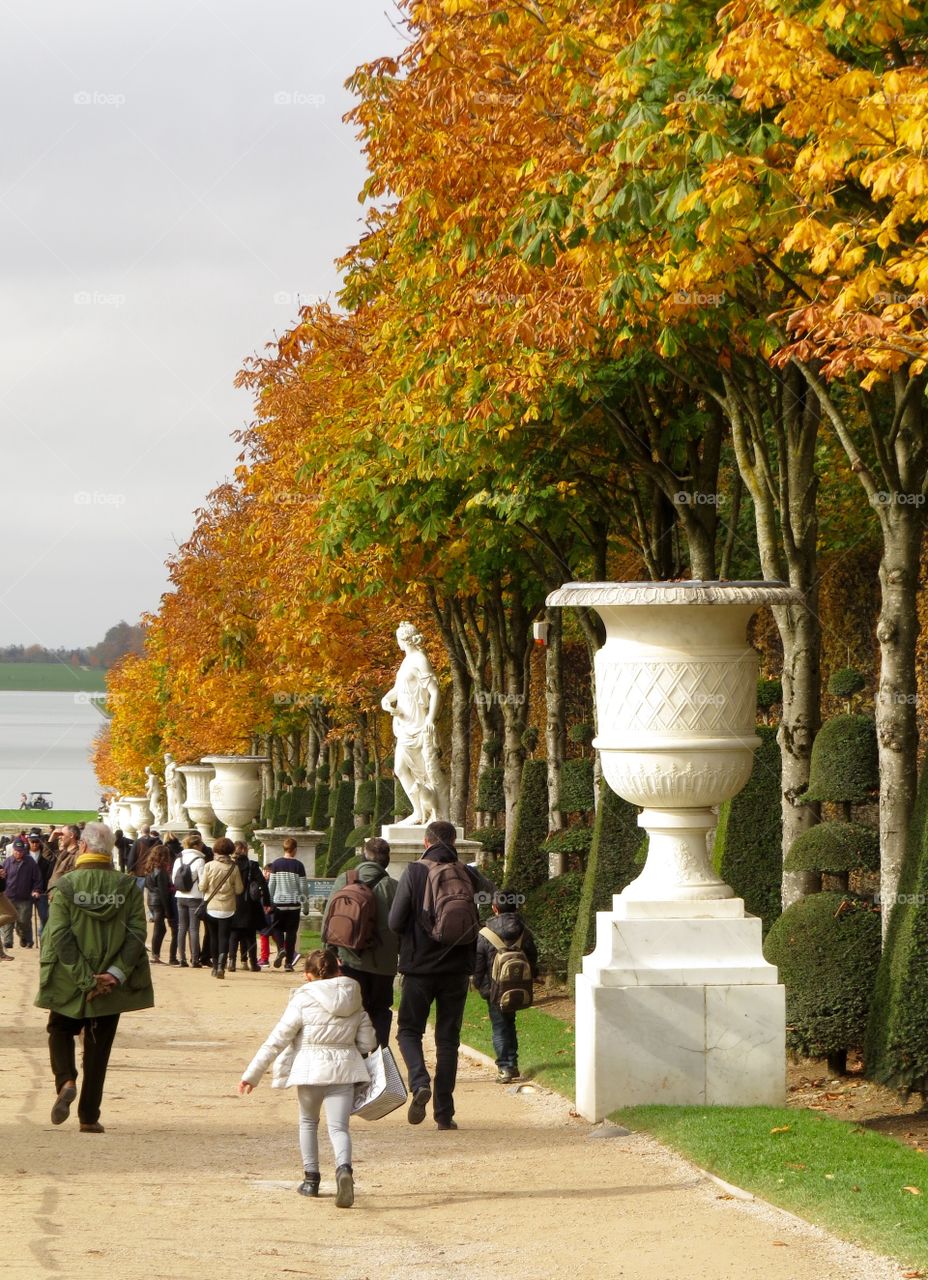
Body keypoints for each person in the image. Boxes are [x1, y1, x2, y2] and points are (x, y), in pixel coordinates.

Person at [34, 821, 154, 1133]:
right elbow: (137, 933)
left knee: (59, 1029)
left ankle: (66, 1079)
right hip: (111, 980)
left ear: (83, 847)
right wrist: (113, 974)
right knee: (99, 1049)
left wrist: (84, 978)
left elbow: (58, 936)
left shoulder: (66, 885)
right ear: (111, 850)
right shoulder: (127, 887)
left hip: (68, 979)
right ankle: (89, 1116)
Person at [238, 948, 376, 1207]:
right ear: (338, 970)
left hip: (310, 1070)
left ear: (309, 976)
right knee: (339, 1128)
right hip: (344, 1070)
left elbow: (277, 1040)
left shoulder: (302, 999)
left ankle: (311, 1180)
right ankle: (344, 1169)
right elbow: (368, 1041)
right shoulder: (354, 996)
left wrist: (252, 1075)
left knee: (308, 1123)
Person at [388, 819, 494, 1130]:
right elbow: (492, 894)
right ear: (454, 843)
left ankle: (419, 1081)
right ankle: (444, 1114)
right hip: (457, 968)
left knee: (409, 1031)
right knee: (448, 1040)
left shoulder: (415, 871)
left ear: (426, 842)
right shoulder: (467, 872)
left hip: (419, 967)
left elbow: (395, 921)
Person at [323, 837, 398, 1048]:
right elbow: (403, 926)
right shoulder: (394, 887)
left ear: (363, 857)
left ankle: (354, 1058)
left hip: (348, 958)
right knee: (380, 1011)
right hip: (383, 963)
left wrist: (329, 953)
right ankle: (379, 1057)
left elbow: (329, 919)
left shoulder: (344, 880)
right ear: (387, 861)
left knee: (351, 1011)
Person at [380, 622, 450, 825]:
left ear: (404, 640)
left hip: (419, 726)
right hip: (404, 724)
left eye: (398, 639)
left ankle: (436, 815)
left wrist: (430, 719)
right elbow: (397, 689)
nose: (397, 643)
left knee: (427, 773)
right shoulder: (406, 661)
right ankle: (418, 812)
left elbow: (435, 692)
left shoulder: (420, 660)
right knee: (400, 769)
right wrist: (385, 700)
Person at [472, 888, 538, 1083]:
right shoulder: (524, 931)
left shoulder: (485, 933)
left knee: (500, 1026)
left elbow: (478, 965)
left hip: (494, 988)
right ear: (515, 907)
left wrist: (481, 986)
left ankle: (505, 1067)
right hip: (518, 986)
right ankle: (513, 1063)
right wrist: (532, 977)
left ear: (494, 908)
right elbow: (533, 958)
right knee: (510, 1022)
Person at [197, 837, 243, 979]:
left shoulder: (209, 865)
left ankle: (215, 964)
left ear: (216, 850)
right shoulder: (234, 867)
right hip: (228, 908)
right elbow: (240, 889)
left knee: (212, 936)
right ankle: (221, 965)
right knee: (224, 937)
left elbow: (202, 887)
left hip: (212, 906)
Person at [267, 837, 308, 972]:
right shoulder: (299, 865)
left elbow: (271, 885)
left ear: (284, 849)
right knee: (291, 933)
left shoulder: (276, 864)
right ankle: (288, 963)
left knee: (277, 929)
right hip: (294, 904)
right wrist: (306, 905)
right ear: (295, 850)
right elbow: (303, 887)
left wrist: (268, 902)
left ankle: (281, 949)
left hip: (279, 903)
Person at [229, 842, 271, 972]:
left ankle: (231, 961)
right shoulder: (252, 865)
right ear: (246, 851)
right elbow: (263, 884)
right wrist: (266, 902)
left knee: (234, 934)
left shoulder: (230, 865)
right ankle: (253, 963)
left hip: (233, 901)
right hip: (249, 903)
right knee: (250, 934)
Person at [0, 836, 43, 950]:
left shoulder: (30, 862)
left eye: (20, 851)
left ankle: (24, 937)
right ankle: (8, 941)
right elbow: (2, 877)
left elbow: (37, 879)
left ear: (24, 850)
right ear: (13, 850)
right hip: (8, 896)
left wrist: (36, 890)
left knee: (23, 921)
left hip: (25, 898)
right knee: (8, 920)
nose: (18, 853)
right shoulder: (7, 862)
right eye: (16, 851)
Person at [172, 834, 206, 967]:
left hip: (180, 895)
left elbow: (174, 877)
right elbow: (202, 881)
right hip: (195, 896)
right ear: (196, 845)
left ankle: (182, 958)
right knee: (194, 929)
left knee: (182, 928)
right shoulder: (199, 859)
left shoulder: (179, 858)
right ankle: (195, 959)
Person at [141, 845, 178, 965]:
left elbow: (148, 885)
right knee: (159, 928)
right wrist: (168, 910)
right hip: (159, 901)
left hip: (152, 899)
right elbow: (163, 892)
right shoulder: (160, 871)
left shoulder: (150, 868)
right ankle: (155, 955)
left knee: (160, 928)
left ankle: (155, 954)